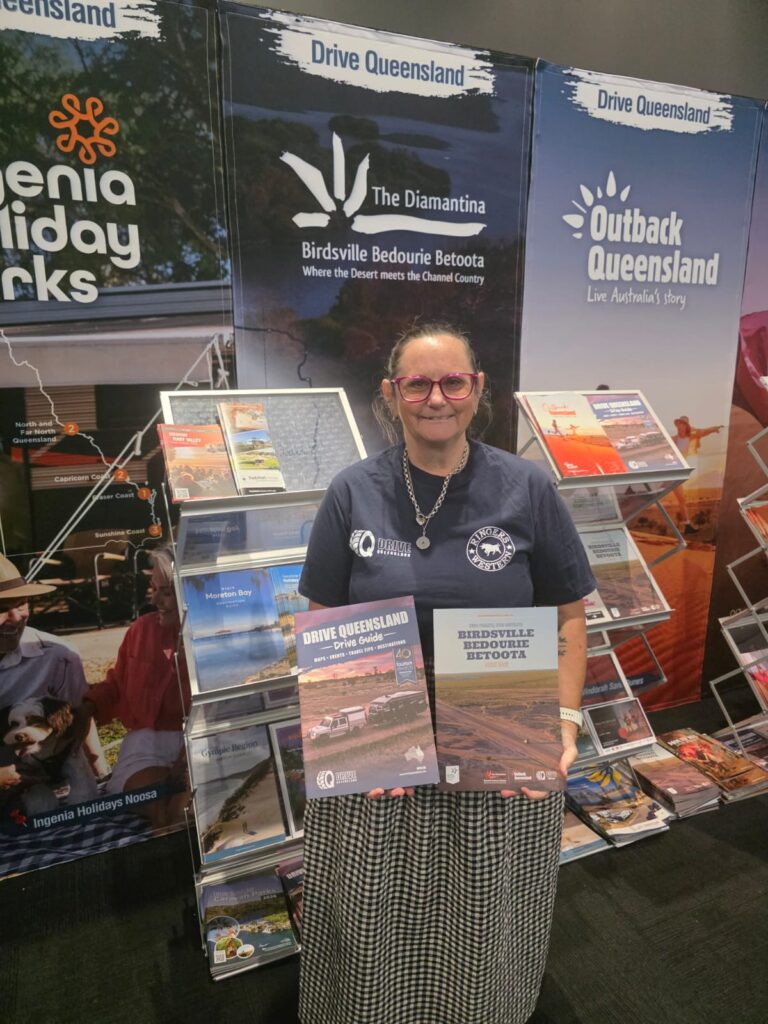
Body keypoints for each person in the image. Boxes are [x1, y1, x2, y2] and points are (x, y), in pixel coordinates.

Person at [297, 323, 596, 1024]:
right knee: (372, 918)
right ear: (391, 394)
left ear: (477, 389)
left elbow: (569, 620)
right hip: (380, 746)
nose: (437, 397)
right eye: (418, 383)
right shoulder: (352, 492)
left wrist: (563, 724)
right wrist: (358, 745)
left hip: (497, 738)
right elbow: (323, 624)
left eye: (453, 381)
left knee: (484, 916)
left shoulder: (526, 487)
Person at [86, 547, 191, 829]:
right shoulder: (141, 630)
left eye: (166, 592)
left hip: (202, 744)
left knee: (182, 812)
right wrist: (85, 707)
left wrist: (189, 756)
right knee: (159, 809)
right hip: (146, 748)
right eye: (153, 588)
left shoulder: (215, 635)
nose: (155, 599)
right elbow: (116, 685)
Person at [0, 554, 107, 799]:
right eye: (2, 609)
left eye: (21, 604)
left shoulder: (57, 655)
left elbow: (79, 714)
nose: (16, 618)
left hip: (42, 780)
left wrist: (99, 768)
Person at [670, 415, 722, 535]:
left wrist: (714, 428)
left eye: (682, 424)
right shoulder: (673, 439)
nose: (679, 426)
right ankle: (686, 526)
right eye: (678, 424)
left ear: (686, 426)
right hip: (672, 471)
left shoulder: (690, 437)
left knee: (682, 500)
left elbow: (704, 432)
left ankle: (686, 525)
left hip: (677, 472)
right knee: (681, 499)